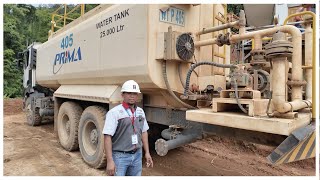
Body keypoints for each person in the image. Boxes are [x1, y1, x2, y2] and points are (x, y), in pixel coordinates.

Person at [103, 80, 153, 176]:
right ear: (122, 94)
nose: (132, 96)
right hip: (120, 156)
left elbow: (144, 132)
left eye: (135, 93)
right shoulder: (114, 113)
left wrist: (147, 152)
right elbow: (107, 136)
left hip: (137, 155)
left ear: (137, 95)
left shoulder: (140, 112)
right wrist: (110, 161)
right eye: (129, 93)